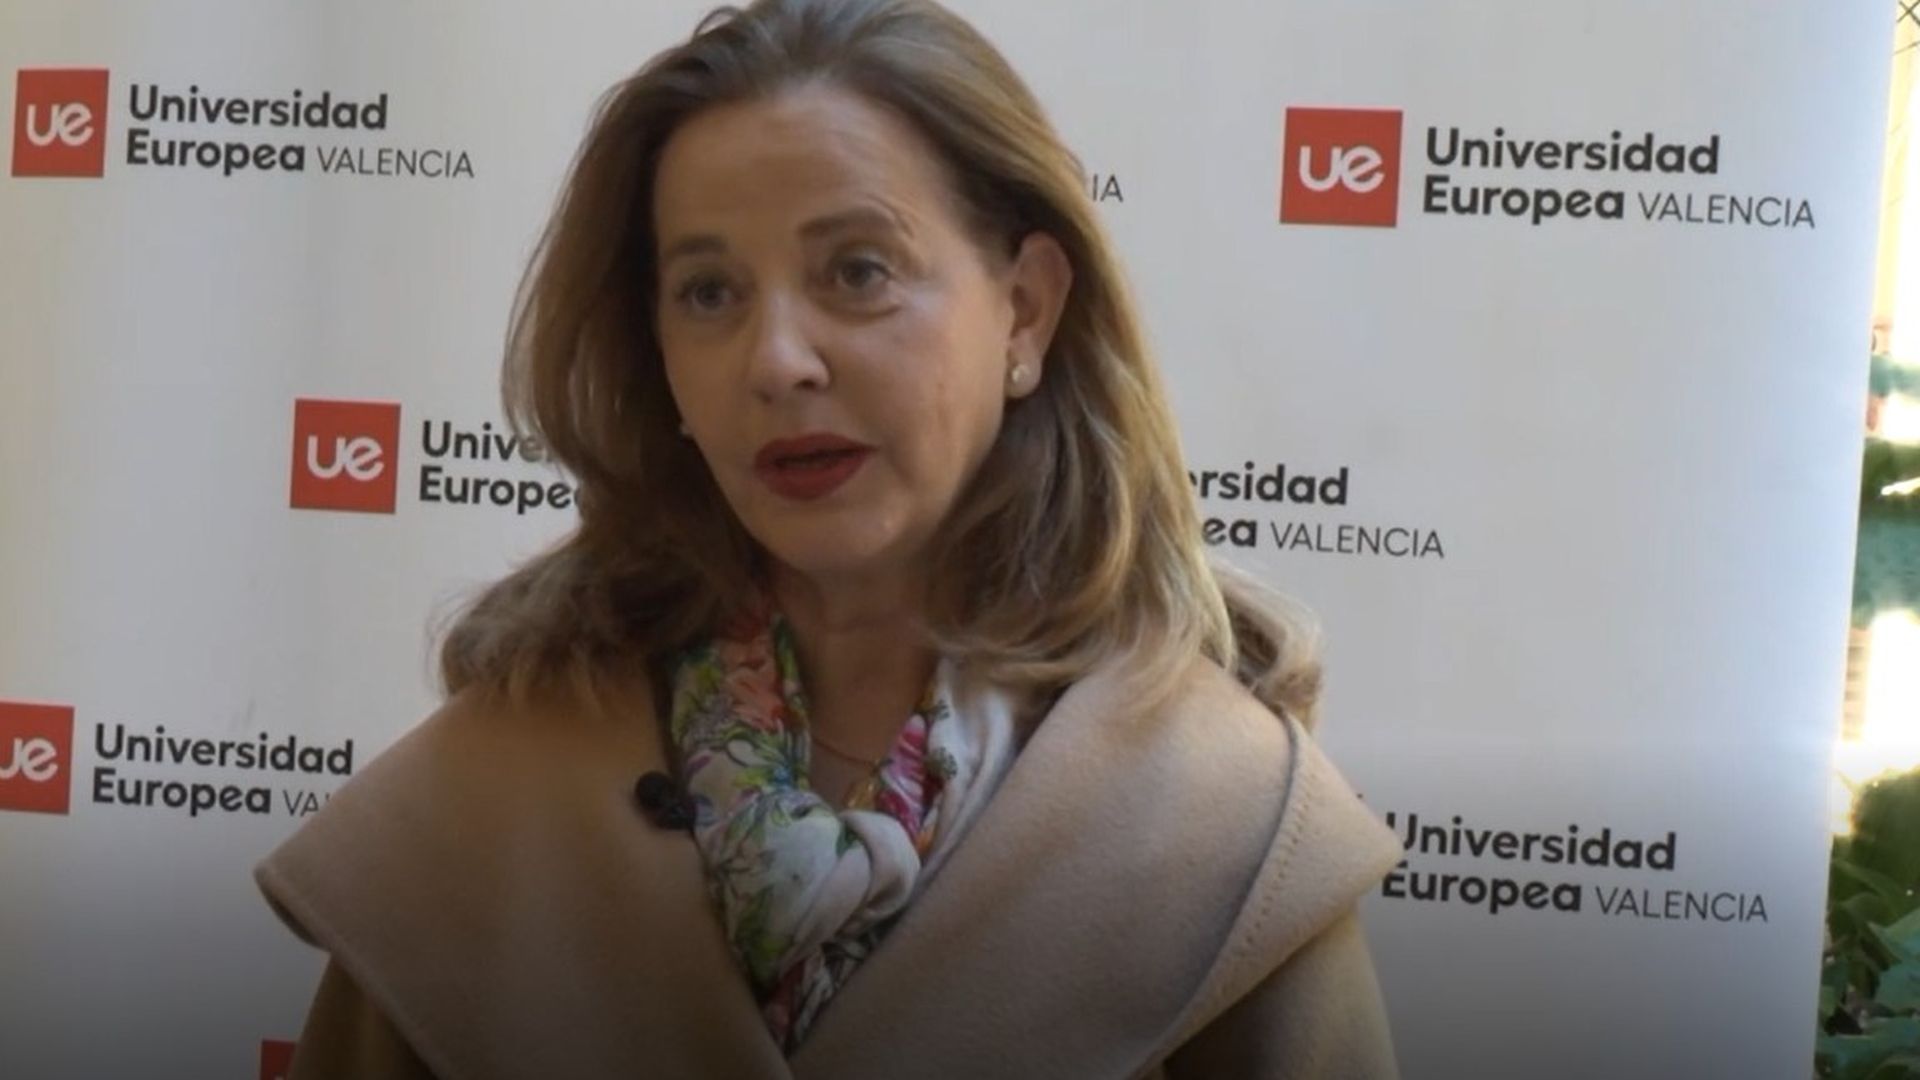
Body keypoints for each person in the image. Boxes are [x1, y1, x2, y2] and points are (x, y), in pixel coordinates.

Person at [253, 0, 1403, 1075]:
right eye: (709, 293)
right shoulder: (490, 797)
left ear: (1024, 310)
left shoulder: (1222, 834)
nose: (776, 361)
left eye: (857, 272)